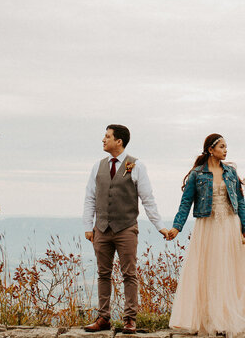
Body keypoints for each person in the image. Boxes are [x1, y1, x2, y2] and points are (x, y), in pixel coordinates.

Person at [166, 133, 245, 337]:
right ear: (210, 149)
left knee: (232, 272)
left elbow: (241, 202)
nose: (226, 150)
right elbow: (185, 202)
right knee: (210, 271)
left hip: (230, 225)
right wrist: (176, 227)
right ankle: (212, 319)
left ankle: (231, 318)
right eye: (222, 147)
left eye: (227, 146)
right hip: (207, 226)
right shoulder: (197, 174)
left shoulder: (231, 172)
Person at [82, 124, 169, 333]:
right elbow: (90, 197)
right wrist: (88, 226)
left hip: (126, 228)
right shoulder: (98, 166)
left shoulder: (137, 166)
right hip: (101, 229)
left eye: (107, 136)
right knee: (103, 274)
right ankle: (104, 318)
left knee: (129, 274)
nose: (103, 140)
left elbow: (148, 199)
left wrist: (160, 227)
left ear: (118, 141)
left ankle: (130, 319)